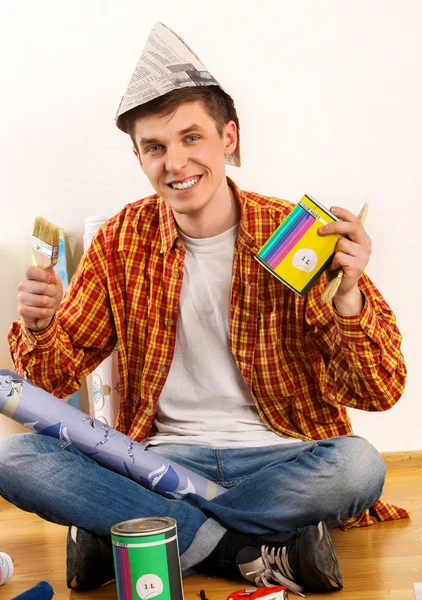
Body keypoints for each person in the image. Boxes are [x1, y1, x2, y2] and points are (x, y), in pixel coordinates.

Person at [1, 23, 406, 596]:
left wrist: (348, 296)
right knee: (15, 457)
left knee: (361, 466)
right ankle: (250, 551)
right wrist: (40, 328)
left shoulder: (298, 235)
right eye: (156, 147)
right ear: (138, 157)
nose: (176, 162)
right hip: (155, 462)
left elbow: (379, 390)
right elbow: (48, 385)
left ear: (229, 139)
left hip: (278, 456)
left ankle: (131, 531)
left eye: (192, 138)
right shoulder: (122, 240)